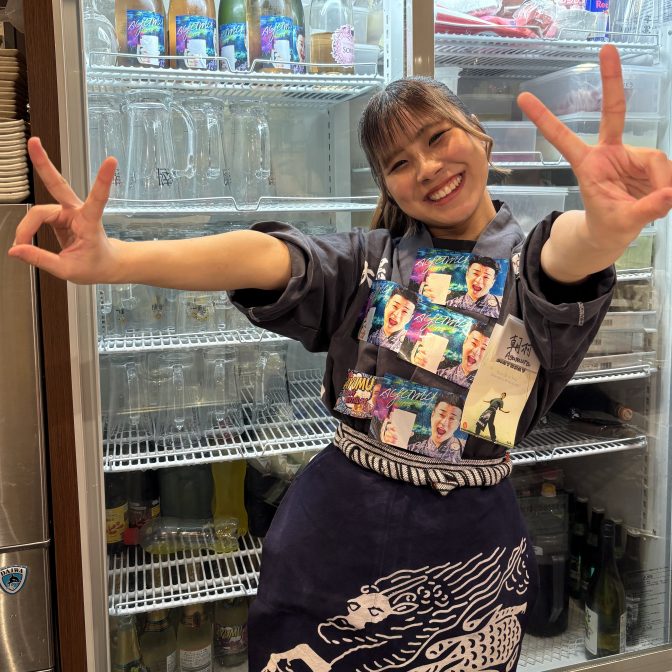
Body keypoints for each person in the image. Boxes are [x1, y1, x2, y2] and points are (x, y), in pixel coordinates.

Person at [10, 46, 672, 672]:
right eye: (399, 162)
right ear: (388, 186)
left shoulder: (528, 269)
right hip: (334, 530)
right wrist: (121, 257)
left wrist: (604, 228)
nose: (427, 167)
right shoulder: (369, 262)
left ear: (480, 137)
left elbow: (567, 254)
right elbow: (267, 256)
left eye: (438, 137)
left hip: (467, 548)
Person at [407, 396, 464, 461]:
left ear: (458, 424)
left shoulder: (462, 452)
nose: (444, 422)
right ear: (432, 415)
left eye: (452, 418)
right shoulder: (411, 448)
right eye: (441, 414)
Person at [367, 286, 416, 351]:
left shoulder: (410, 344)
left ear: (410, 318)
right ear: (386, 305)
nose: (396, 314)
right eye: (395, 306)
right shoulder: (369, 334)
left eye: (405, 311)